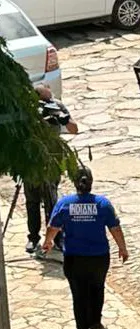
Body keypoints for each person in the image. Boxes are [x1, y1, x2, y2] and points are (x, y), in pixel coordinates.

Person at [42, 167, 129, 329]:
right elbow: (115, 228)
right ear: (91, 182)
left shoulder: (65, 203)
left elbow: (53, 226)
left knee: (79, 296)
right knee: (97, 290)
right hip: (98, 257)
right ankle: (96, 324)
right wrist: (122, 248)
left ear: (75, 182)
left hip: (75, 258)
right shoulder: (103, 204)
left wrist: (48, 242)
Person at [25, 84, 78, 253]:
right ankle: (33, 238)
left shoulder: (57, 106)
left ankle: (57, 238)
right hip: (31, 162)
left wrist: (63, 118)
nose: (49, 102)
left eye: (50, 98)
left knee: (52, 203)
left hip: (52, 161)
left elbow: (74, 129)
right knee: (32, 202)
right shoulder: (28, 109)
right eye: (45, 100)